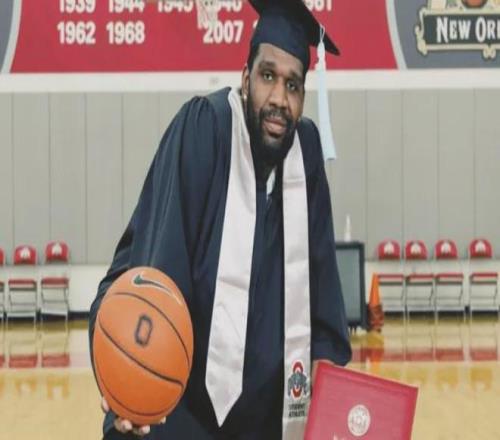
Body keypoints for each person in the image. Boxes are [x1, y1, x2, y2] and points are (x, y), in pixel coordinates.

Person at [89, 0, 351, 438]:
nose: (279, 99)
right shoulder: (204, 130)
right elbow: (153, 279)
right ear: (245, 79)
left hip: (270, 421)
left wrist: (333, 410)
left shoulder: (305, 156)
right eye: (268, 76)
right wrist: (133, 384)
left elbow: (321, 304)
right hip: (180, 410)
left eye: (293, 85)